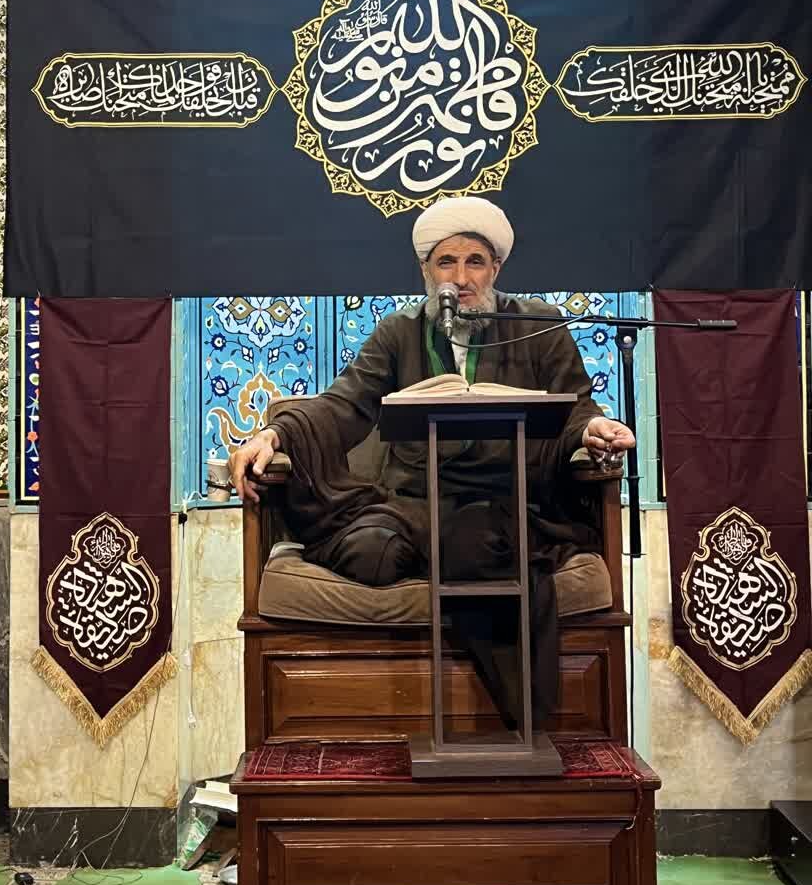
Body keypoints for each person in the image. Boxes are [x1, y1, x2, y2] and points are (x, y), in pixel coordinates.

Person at [229, 197, 635, 727]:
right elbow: (344, 403)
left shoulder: (538, 325)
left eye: (475, 262)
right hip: (412, 504)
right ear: (425, 270)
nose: (461, 278)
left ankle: (520, 716)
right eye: (447, 262)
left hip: (507, 501)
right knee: (370, 554)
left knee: (473, 539)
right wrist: (274, 433)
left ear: (496, 269)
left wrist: (592, 429)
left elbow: (576, 404)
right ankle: (443, 552)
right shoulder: (399, 332)